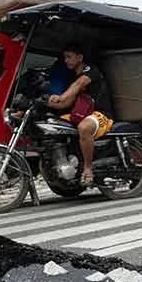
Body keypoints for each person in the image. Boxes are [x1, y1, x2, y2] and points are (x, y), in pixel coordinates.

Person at [47, 43, 114, 187]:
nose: (66, 60)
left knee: (84, 128)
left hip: (101, 114)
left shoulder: (90, 71)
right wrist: (45, 103)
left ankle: (88, 168)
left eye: (69, 57)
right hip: (83, 114)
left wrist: (61, 97)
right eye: (65, 57)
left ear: (80, 57)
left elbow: (77, 85)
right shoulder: (72, 76)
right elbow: (67, 102)